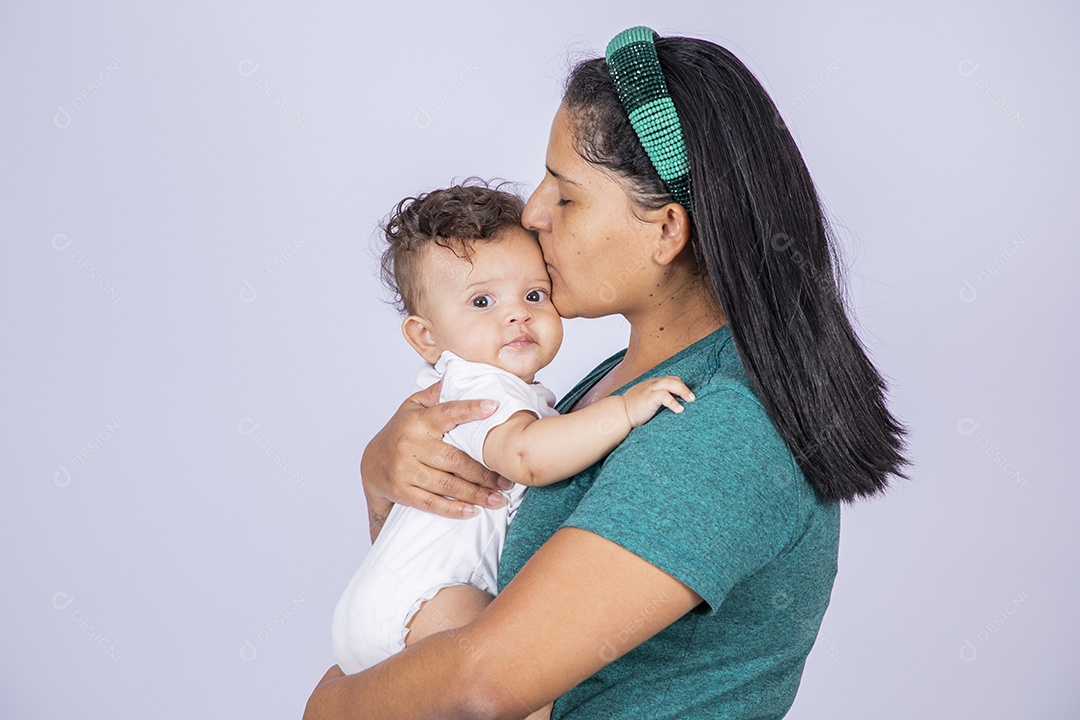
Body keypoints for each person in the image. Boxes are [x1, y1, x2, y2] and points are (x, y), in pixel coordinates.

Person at [305, 26, 907, 720]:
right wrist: (383, 473)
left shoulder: (720, 426)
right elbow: (448, 569)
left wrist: (334, 704)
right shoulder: (608, 383)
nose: (531, 214)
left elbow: (479, 687)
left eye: (565, 195)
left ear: (665, 231)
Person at [329, 182, 694, 705]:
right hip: (426, 600)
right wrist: (624, 411)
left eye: (534, 294)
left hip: (398, 602)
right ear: (426, 337)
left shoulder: (518, 391)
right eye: (482, 301)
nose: (517, 314)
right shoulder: (482, 387)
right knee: (518, 693)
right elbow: (527, 455)